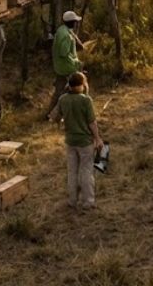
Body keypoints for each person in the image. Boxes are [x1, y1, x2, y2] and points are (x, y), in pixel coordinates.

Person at [48, 71, 104, 209]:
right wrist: (97, 138)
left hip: (70, 140)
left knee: (72, 171)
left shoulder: (63, 99)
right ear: (81, 85)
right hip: (84, 141)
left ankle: (72, 200)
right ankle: (88, 201)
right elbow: (92, 122)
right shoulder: (85, 100)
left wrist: (61, 121)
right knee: (86, 171)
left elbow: (53, 116)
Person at [46, 11, 84, 119]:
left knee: (58, 92)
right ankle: (60, 114)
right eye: (75, 21)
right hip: (67, 68)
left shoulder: (61, 30)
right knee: (74, 91)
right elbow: (64, 53)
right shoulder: (67, 36)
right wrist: (76, 63)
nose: (76, 23)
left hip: (59, 67)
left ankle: (50, 114)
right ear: (72, 22)